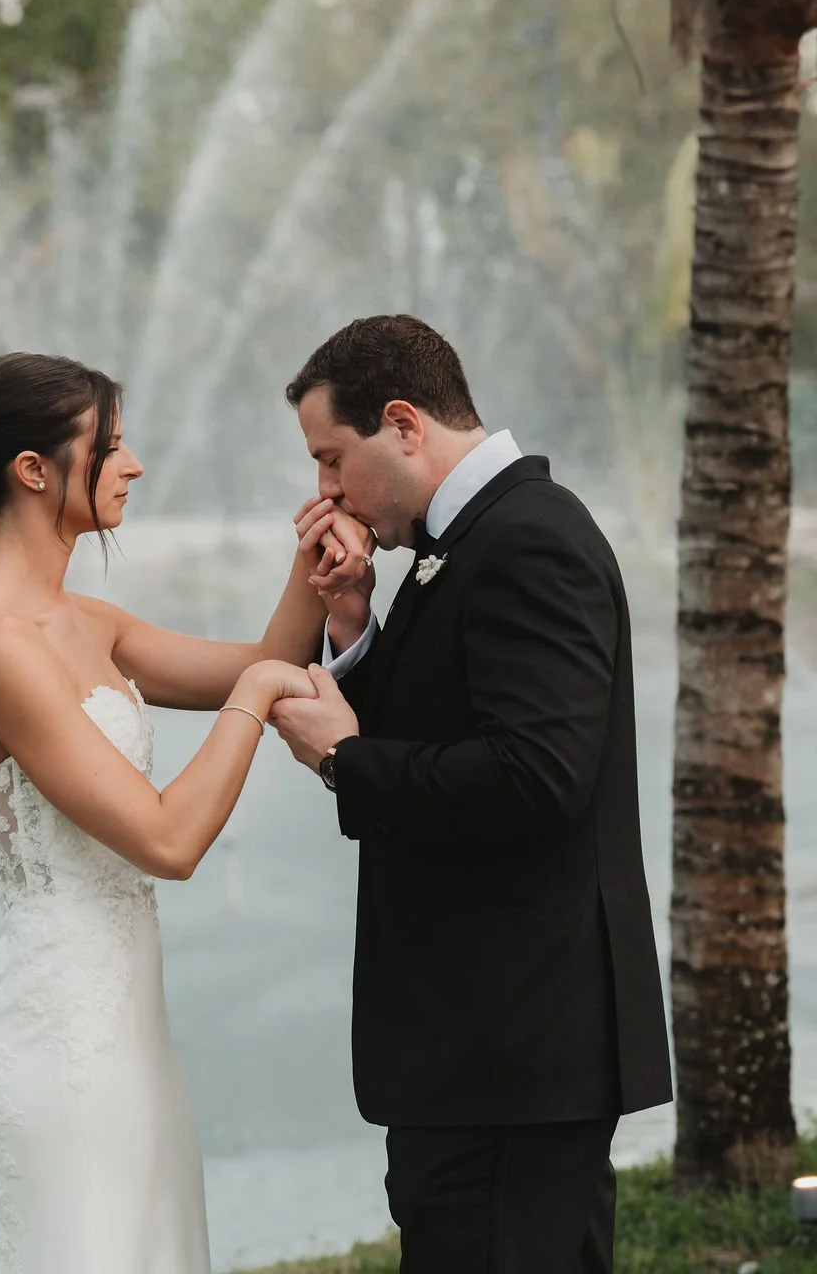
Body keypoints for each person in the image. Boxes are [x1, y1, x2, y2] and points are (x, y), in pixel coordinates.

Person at [0, 351, 367, 1274]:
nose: (134, 464)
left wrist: (313, 562)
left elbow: (264, 656)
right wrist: (259, 692)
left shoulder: (87, 620)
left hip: (131, 1037)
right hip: (59, 1042)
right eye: (110, 446)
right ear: (34, 471)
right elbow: (167, 838)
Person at [273, 314, 673, 1274]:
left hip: (515, 1057)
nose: (324, 491)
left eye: (333, 459)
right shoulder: (469, 542)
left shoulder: (531, 540)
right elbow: (452, 728)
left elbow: (537, 777)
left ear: (404, 423)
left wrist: (346, 760)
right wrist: (353, 626)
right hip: (485, 1056)